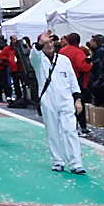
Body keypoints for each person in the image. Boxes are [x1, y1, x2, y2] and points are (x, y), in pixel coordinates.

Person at [36, 35, 86, 174]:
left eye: (51, 42)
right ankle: (58, 160)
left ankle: (76, 163)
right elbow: (34, 54)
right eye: (46, 43)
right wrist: (40, 43)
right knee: (52, 131)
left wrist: (78, 99)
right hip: (48, 99)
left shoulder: (64, 60)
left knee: (70, 130)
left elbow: (72, 80)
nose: (49, 45)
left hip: (65, 99)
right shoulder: (38, 60)